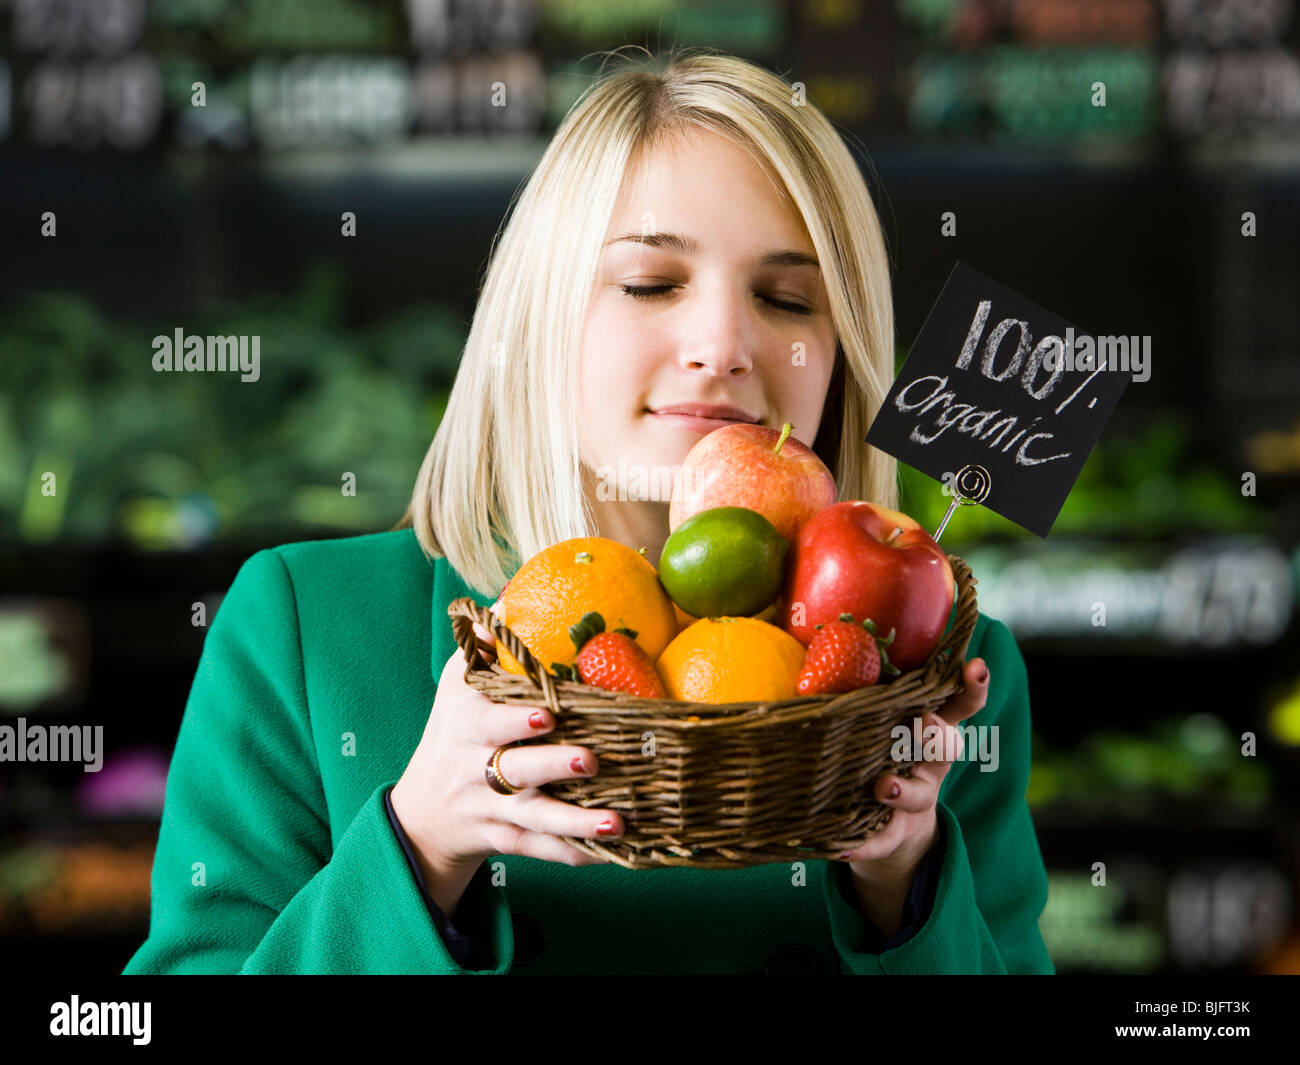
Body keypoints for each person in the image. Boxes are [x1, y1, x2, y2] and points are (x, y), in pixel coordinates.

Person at [123, 47, 1053, 975]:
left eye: (787, 298)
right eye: (651, 283)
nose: (724, 345)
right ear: (538, 318)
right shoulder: (304, 628)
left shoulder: (941, 680)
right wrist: (416, 850)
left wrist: (910, 891)